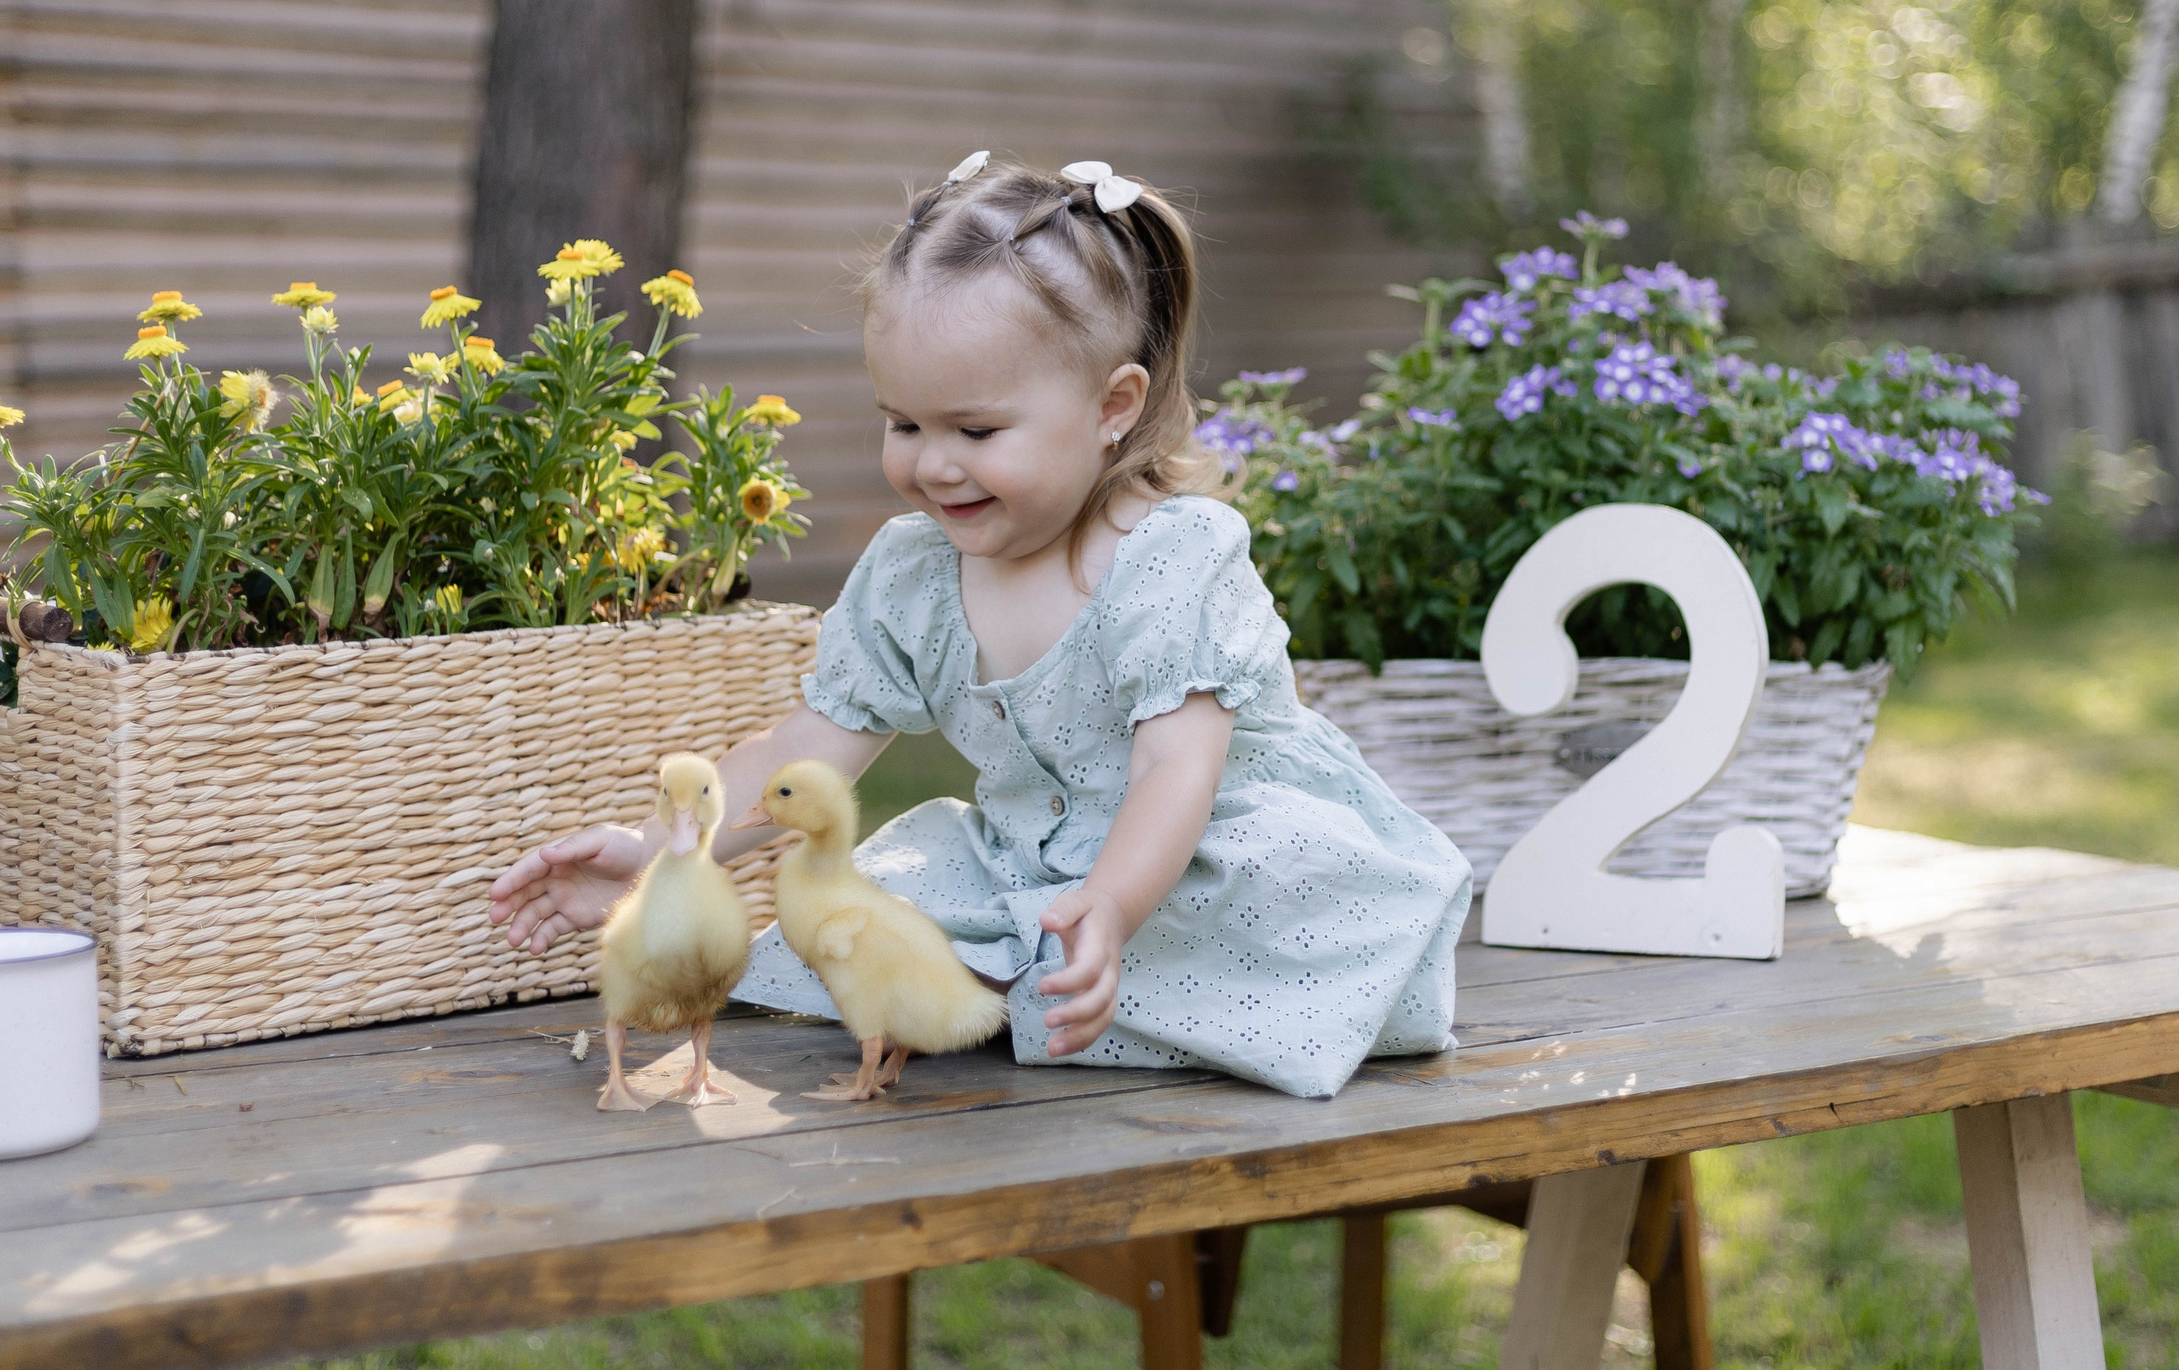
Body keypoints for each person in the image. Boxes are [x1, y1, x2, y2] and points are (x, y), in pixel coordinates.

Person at [486, 154, 1471, 1098]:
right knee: (853, 934)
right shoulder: (916, 575)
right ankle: (1023, 989)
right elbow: (807, 749)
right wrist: (665, 848)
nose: (932, 465)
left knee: (1200, 938)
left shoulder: (1171, 559)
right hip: (1029, 858)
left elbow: (1179, 772)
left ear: (1111, 407)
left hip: (1200, 858)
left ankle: (1083, 981)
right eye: (903, 424)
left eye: (976, 431)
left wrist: (1113, 906)